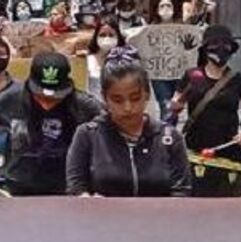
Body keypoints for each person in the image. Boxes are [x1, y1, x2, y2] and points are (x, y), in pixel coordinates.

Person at [0, 51, 105, 197]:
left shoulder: (84, 105)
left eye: (55, 98)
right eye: (40, 96)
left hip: (67, 190)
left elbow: (112, 131)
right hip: (18, 187)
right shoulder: (11, 99)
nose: (46, 104)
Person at [66, 57, 190, 197]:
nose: (128, 108)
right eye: (117, 100)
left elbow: (181, 192)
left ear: (147, 95)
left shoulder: (170, 138)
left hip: (158, 217)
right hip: (103, 217)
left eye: (135, 98)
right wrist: (87, 200)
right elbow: (76, 188)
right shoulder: (87, 135)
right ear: (105, 99)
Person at [169, 24, 241, 197]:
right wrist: (174, 106)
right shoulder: (192, 76)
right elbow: (175, 105)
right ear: (205, 49)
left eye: (226, 45)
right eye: (215, 44)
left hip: (229, 153)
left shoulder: (239, 80)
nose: (221, 49)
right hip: (195, 152)